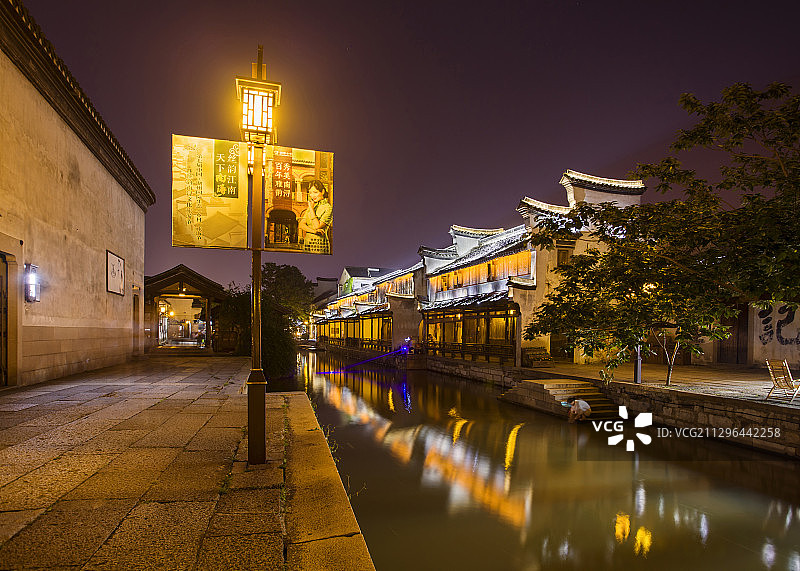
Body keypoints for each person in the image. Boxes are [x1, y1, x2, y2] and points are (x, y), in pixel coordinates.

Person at [298, 180, 332, 254]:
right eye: (310, 193)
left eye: (315, 192)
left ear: (322, 192)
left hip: (319, 244)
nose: (312, 195)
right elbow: (301, 224)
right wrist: (314, 231)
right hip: (307, 242)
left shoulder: (328, 208)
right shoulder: (312, 206)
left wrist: (311, 209)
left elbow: (318, 226)